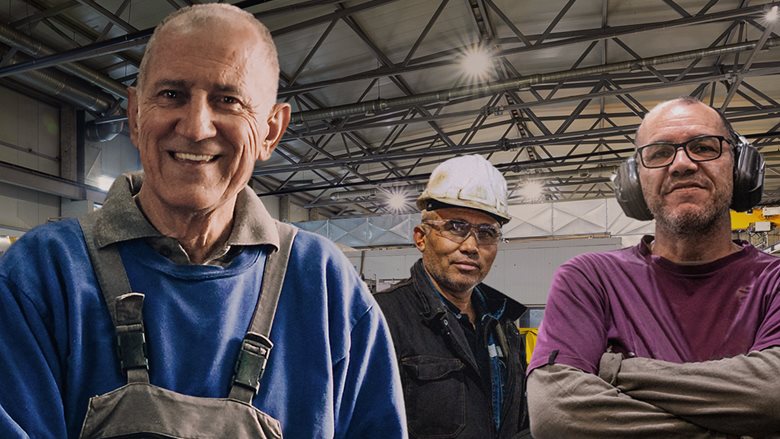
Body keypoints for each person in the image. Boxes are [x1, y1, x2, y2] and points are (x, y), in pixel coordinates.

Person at [0, 4, 406, 438]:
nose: (196, 127)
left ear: (271, 131)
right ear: (135, 115)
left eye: (227, 100)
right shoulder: (42, 274)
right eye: (172, 94)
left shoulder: (326, 288)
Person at [526, 97, 780, 438]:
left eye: (703, 147)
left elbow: (771, 395)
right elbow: (555, 415)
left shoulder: (773, 280)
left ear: (739, 167)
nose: (681, 164)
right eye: (659, 153)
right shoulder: (590, 278)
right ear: (635, 180)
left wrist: (616, 373)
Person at [375, 155, 532, 439]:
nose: (471, 246)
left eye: (487, 232)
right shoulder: (382, 319)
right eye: (456, 227)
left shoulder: (504, 327)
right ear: (421, 237)